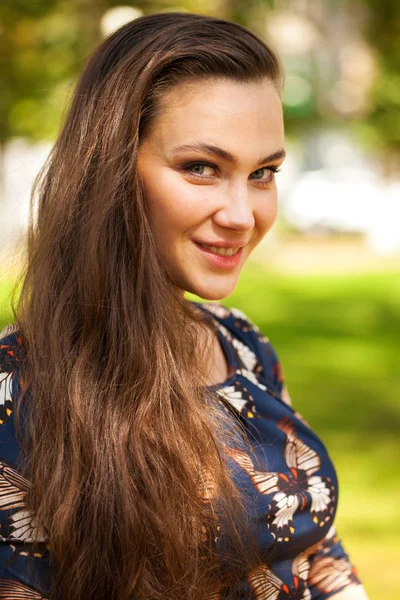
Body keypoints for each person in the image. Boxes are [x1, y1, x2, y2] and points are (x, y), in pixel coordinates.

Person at [0, 11, 369, 600]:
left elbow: (314, 546)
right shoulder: (19, 391)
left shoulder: (243, 344)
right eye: (202, 168)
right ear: (113, 170)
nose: (242, 215)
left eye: (263, 173)